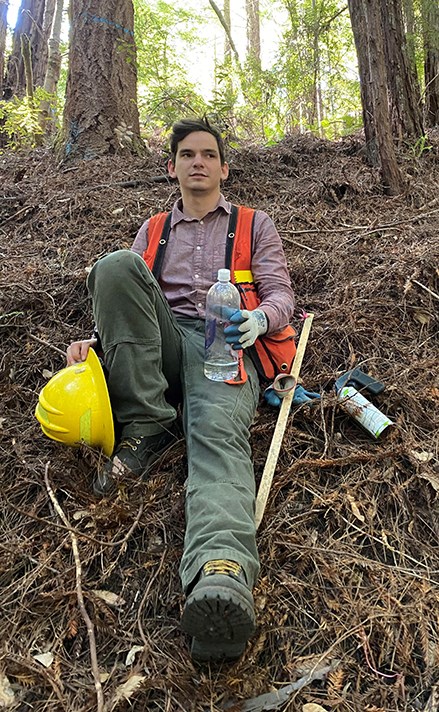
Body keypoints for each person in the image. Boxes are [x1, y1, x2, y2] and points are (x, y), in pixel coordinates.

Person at [67, 117, 295, 663]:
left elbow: (283, 296)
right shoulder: (153, 230)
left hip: (227, 345)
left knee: (217, 436)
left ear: (222, 166)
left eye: (209, 154)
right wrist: (96, 342)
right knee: (115, 266)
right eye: (188, 154)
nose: (199, 162)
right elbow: (132, 302)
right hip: (166, 348)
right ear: (171, 167)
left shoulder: (253, 223)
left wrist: (259, 320)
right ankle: (149, 423)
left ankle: (221, 572)